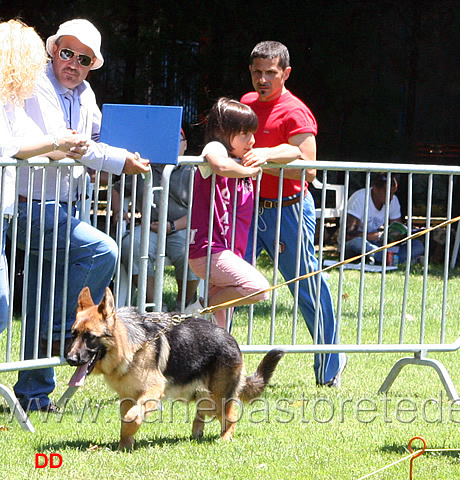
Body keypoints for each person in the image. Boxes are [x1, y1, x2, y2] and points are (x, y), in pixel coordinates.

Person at [12, 18, 150, 412]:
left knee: (45, 298)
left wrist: (148, 143)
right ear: (52, 50)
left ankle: (33, 396)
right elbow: (74, 145)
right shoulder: (38, 83)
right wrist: (120, 160)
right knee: (101, 250)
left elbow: (101, 139)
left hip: (64, 207)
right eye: (66, 52)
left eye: (83, 58)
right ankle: (61, 333)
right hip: (29, 207)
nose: (72, 63)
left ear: (92, 64)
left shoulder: (86, 92)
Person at [241, 41, 347, 387]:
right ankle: (208, 366)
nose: (262, 79)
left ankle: (330, 367)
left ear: (285, 73)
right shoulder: (245, 105)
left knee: (307, 289)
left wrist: (265, 158)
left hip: (289, 211)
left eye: (270, 73)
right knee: (225, 283)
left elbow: (310, 168)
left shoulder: (296, 112)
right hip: (248, 209)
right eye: (257, 72)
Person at [1, 20, 88, 338]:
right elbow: (11, 147)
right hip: (16, 210)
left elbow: (37, 138)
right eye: (33, 61)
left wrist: (67, 146)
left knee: (1, 310)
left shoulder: (11, 105)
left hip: (5, 218)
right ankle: (60, 331)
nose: (38, 70)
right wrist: (57, 143)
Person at [188, 97, 278, 328]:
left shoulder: (243, 160)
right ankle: (195, 312)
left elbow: (297, 153)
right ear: (222, 131)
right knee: (258, 287)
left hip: (227, 252)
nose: (252, 140)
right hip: (208, 250)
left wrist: (264, 156)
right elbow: (220, 166)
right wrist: (248, 171)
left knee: (220, 333)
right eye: (244, 134)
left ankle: (211, 348)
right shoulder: (216, 148)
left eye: (252, 133)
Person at [115, 128, 199, 309]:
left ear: (185, 145)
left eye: (178, 139)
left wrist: (172, 226)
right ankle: (156, 307)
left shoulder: (193, 170)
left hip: (182, 228)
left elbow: (202, 210)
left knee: (191, 250)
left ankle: (184, 307)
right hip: (148, 228)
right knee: (133, 245)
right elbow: (117, 190)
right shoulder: (143, 169)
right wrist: (118, 211)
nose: (171, 144)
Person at [343, 173, 424, 265]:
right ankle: (392, 259)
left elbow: (397, 227)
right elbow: (348, 235)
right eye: (387, 193)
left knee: (417, 245)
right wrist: (378, 236)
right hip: (358, 244)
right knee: (358, 243)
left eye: (393, 193)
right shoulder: (359, 198)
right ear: (375, 189)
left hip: (380, 245)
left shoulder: (394, 200)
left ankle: (383, 258)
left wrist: (398, 235)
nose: (391, 197)